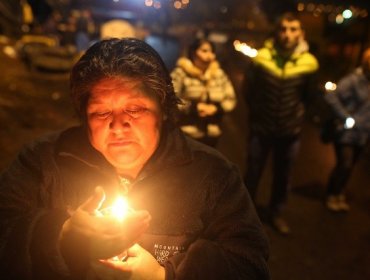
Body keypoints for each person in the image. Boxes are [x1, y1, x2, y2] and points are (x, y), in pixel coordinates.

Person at [0, 38, 270, 279]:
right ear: (84, 117)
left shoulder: (213, 175)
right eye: (101, 113)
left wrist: (165, 275)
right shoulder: (43, 162)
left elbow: (250, 265)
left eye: (135, 109)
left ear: (163, 109)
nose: (118, 126)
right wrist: (60, 238)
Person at [243, 12, 319, 234]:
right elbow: (249, 90)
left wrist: (298, 119)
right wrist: (257, 115)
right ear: (276, 32)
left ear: (301, 33)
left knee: (283, 176)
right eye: (283, 29)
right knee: (253, 173)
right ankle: (244, 217)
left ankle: (276, 213)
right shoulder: (262, 57)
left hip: (290, 131)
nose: (288, 34)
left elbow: (310, 97)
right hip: (261, 128)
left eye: (293, 29)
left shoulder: (309, 63)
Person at [323, 47, 370, 212]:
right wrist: (346, 117)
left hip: (362, 134)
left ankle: (338, 193)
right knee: (345, 164)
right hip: (346, 133)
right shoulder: (353, 80)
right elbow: (331, 96)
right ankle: (331, 194)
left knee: (350, 166)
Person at [171, 38, 236, 147]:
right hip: (186, 134)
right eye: (204, 51)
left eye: (212, 52)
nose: (209, 55)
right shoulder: (180, 73)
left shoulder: (219, 74)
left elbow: (231, 98)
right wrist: (193, 107)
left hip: (212, 134)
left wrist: (217, 108)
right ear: (193, 52)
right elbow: (170, 98)